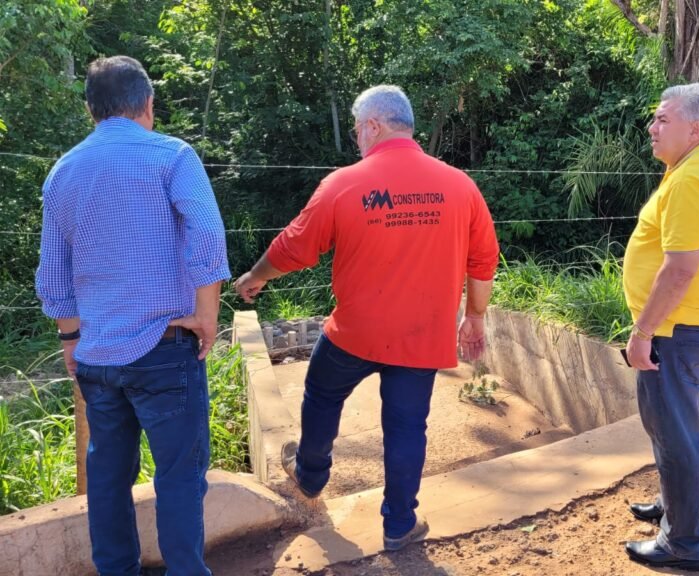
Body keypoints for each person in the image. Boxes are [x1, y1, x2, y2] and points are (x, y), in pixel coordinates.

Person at [233, 85, 499, 552]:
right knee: (406, 427)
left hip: (354, 335)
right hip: (422, 339)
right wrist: (474, 318)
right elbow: (483, 262)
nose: (357, 139)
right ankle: (399, 525)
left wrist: (255, 277)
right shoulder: (460, 186)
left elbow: (295, 246)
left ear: (373, 125)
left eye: (358, 130)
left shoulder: (345, 183)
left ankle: (312, 474)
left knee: (320, 393)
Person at [35, 55, 229, 576]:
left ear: (90, 110)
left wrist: (71, 341)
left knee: (107, 479)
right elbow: (207, 233)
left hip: (96, 356)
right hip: (165, 348)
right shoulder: (171, 155)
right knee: (179, 478)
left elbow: (53, 271)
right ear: (148, 103)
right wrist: (207, 314)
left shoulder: (63, 172)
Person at [621, 83, 699, 571]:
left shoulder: (694, 178)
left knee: (673, 434)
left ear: (695, 128)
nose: (652, 128)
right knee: (684, 430)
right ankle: (674, 510)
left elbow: (679, 268)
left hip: (678, 333)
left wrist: (642, 333)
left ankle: (683, 544)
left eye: (662, 119)